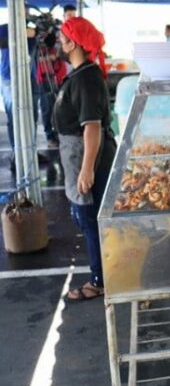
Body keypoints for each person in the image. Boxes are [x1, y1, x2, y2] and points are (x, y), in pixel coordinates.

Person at [54, 17, 117, 300]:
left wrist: (86, 169)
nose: (59, 43)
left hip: (88, 156)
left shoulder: (87, 77)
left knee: (91, 219)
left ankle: (100, 280)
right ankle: (104, 273)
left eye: (63, 38)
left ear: (74, 43)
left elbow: (92, 127)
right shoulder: (81, 74)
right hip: (78, 155)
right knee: (87, 218)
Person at [0, 21, 40, 161]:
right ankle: (16, 152)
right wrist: (23, 34)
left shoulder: (33, 30)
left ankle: (31, 151)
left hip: (30, 76)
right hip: (9, 77)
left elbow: (43, 44)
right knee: (13, 116)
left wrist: (37, 33)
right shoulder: (4, 29)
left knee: (33, 114)